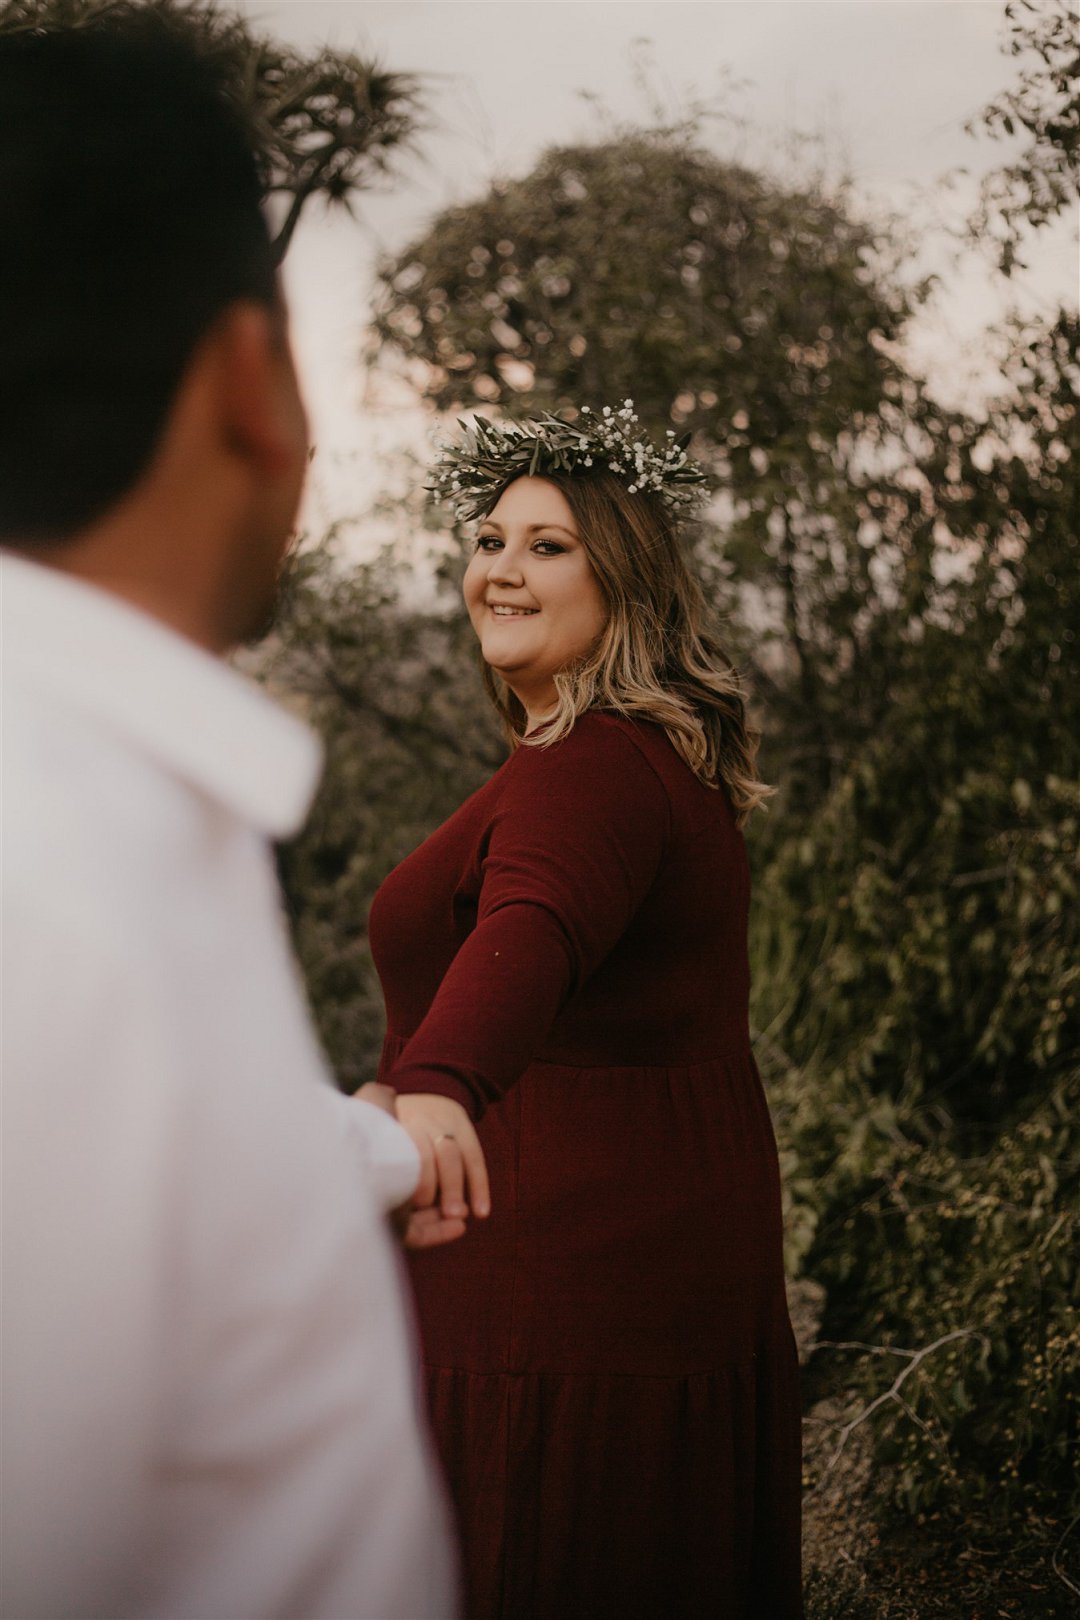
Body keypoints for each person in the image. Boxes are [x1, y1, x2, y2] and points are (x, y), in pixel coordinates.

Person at [0, 18, 472, 1619]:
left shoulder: (103, 810)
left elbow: (175, 1173)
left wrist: (380, 1147)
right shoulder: (51, 902)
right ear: (247, 385)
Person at [366, 405, 805, 1619]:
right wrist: (396, 1086)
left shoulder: (598, 765)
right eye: (491, 538)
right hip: (612, 1252)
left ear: (627, 580)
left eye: (549, 546)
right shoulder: (610, 755)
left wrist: (442, 1084)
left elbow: (535, 931)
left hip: (565, 1281)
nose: (501, 568)